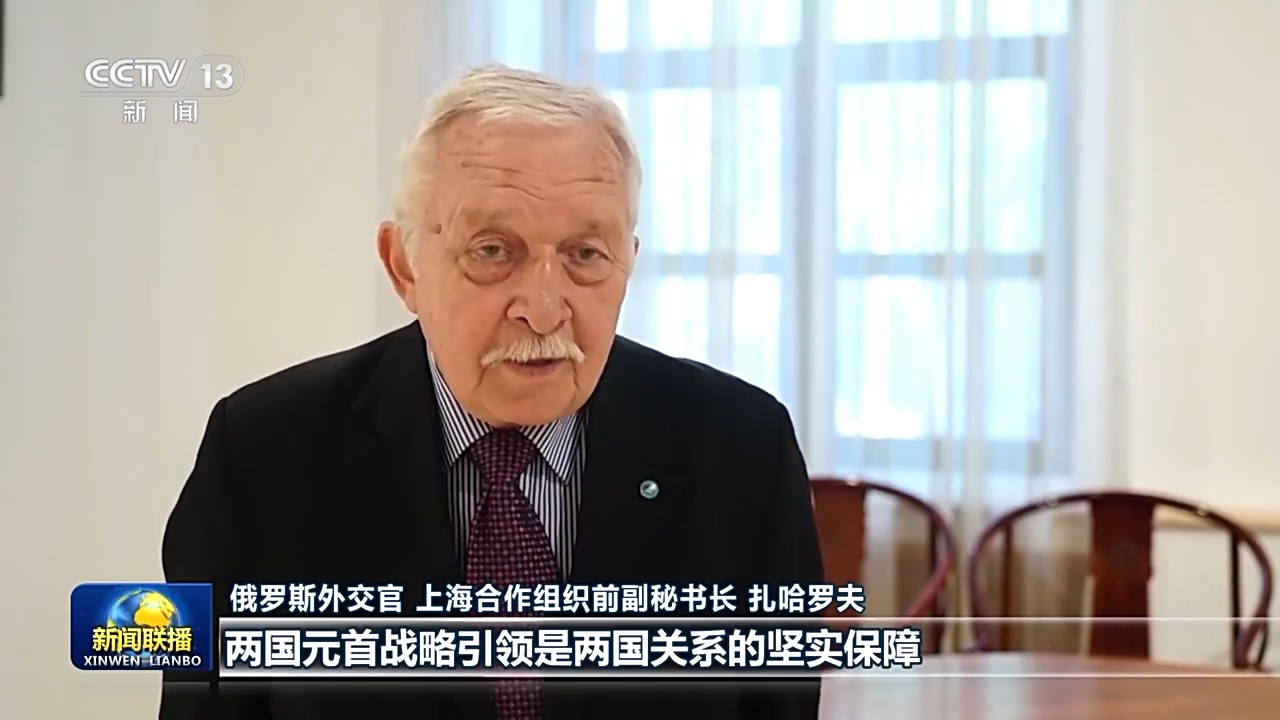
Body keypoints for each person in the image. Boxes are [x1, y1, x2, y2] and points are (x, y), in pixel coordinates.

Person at [160, 64, 823, 720]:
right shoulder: (261, 453)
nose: (543, 309)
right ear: (403, 266)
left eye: (585, 255)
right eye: (493, 251)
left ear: (628, 261)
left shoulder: (743, 451)